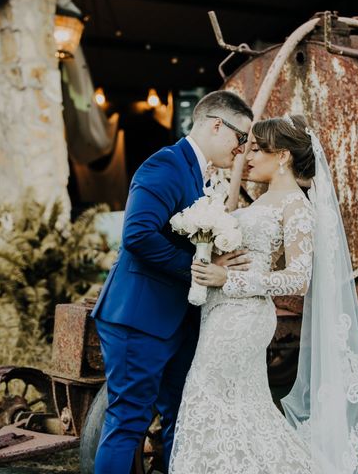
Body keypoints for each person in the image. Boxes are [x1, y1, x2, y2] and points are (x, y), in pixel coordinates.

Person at [169, 114, 358, 474]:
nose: (248, 157)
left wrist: (227, 280)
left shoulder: (296, 207)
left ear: (283, 157)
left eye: (258, 149)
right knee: (235, 407)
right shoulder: (262, 201)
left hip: (244, 318)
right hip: (222, 313)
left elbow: (298, 279)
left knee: (209, 398)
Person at [89, 90, 253, 474]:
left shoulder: (201, 174)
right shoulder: (164, 166)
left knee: (183, 416)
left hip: (177, 320)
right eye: (240, 138)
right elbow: (138, 235)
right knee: (128, 421)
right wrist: (196, 269)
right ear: (217, 125)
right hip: (138, 318)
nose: (242, 148)